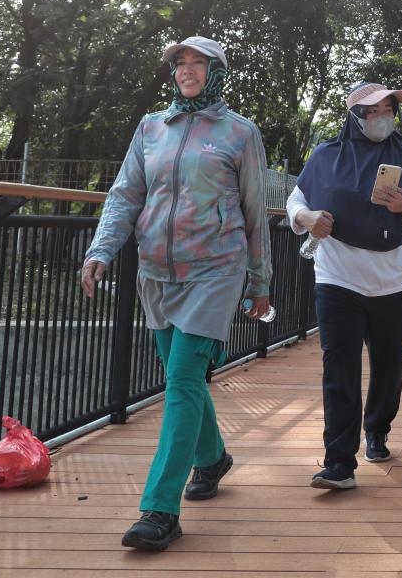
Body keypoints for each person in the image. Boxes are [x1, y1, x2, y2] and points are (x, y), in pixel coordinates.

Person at [80, 36, 271, 551]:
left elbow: (256, 212)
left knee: (183, 377)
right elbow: (126, 195)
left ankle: (160, 510)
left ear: (218, 71)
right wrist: (101, 252)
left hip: (215, 270)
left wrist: (260, 282)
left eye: (198, 63)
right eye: (181, 64)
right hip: (157, 272)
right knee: (182, 378)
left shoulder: (238, 133)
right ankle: (212, 458)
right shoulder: (151, 129)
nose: (188, 71)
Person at [286, 81, 402, 490]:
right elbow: (295, 200)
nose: (383, 117)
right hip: (337, 277)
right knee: (339, 367)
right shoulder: (326, 155)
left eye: (389, 109)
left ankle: (377, 429)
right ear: (355, 116)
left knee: (388, 365)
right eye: (373, 110)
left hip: (394, 279)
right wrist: (307, 218)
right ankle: (339, 461)